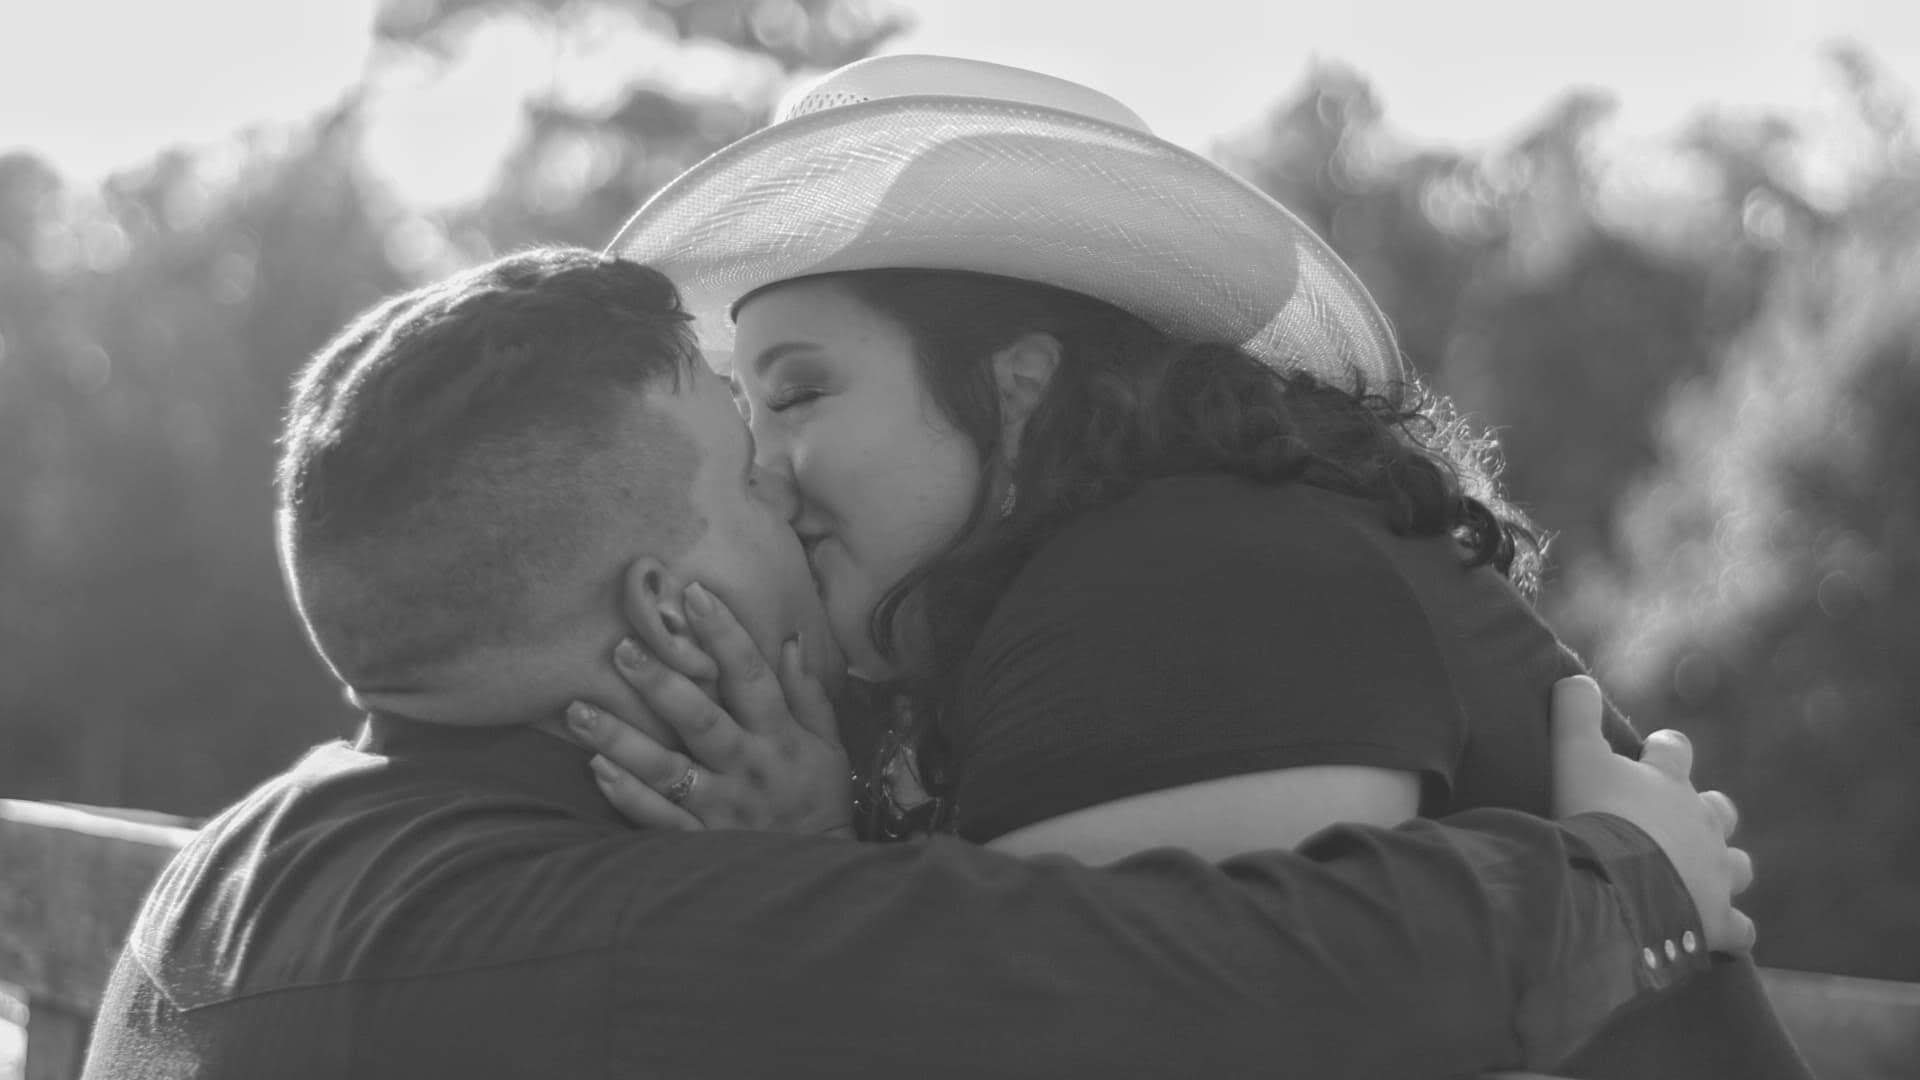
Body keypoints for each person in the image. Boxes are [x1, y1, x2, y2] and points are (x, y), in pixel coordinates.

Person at [81, 247, 1746, 1080]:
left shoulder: (235, 869)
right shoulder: (631, 941)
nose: (788, 492)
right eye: (748, 471)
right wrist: (1629, 874)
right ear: (668, 607)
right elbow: (1244, 981)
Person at [593, 55, 1807, 1077]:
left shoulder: (1185, 580)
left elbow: (1112, 1032)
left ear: (1019, 391)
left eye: (799, 393)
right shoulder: (1121, 578)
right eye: (746, 413)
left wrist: (1628, 889)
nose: (762, 471)